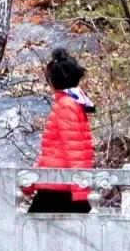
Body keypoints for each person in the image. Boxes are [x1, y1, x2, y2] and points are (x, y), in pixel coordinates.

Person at [24, 48, 94, 214]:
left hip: (59, 187)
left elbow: (74, 151)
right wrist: (32, 180)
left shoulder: (66, 106)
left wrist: (80, 193)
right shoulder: (72, 103)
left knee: (31, 235)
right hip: (57, 183)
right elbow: (52, 151)